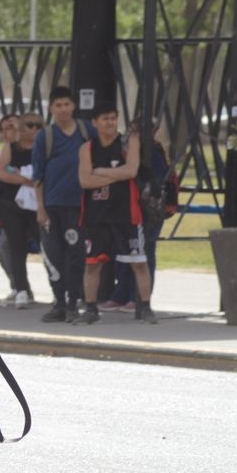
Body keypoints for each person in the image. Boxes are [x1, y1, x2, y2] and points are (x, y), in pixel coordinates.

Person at [75, 102, 158, 325]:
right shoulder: (87, 149)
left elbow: (131, 170)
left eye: (113, 118)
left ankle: (146, 307)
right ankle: (91, 308)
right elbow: (85, 180)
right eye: (105, 118)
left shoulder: (128, 142)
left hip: (126, 214)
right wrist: (117, 175)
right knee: (93, 264)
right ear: (95, 123)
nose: (110, 122)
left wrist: (101, 172)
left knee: (139, 262)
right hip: (96, 215)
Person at [32, 86, 95, 322]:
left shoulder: (85, 131)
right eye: (58, 105)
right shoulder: (44, 136)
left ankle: (73, 302)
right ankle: (58, 302)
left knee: (76, 255)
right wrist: (40, 208)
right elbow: (37, 177)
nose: (63, 109)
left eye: (67, 104)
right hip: (51, 206)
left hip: (79, 205)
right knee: (53, 255)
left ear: (73, 106)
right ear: (51, 108)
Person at [100, 119, 168, 314]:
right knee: (124, 252)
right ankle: (121, 293)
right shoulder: (126, 151)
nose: (132, 135)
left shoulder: (154, 153)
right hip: (127, 207)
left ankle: (137, 295)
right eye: (131, 131)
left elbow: (152, 180)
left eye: (136, 132)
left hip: (148, 209)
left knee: (144, 252)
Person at [0, 112, 43, 310]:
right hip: (14, 204)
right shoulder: (11, 148)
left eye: (37, 126)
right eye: (29, 125)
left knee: (48, 246)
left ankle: (60, 289)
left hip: (39, 205)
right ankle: (21, 288)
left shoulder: (43, 148)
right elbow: (0, 171)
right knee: (15, 247)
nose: (33, 130)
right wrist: (25, 180)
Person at [0, 114, 22, 306]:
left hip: (33, 208)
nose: (7, 132)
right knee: (4, 248)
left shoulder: (29, 148)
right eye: (3, 129)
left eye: (11, 127)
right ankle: (18, 286)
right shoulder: (6, 149)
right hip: (12, 208)